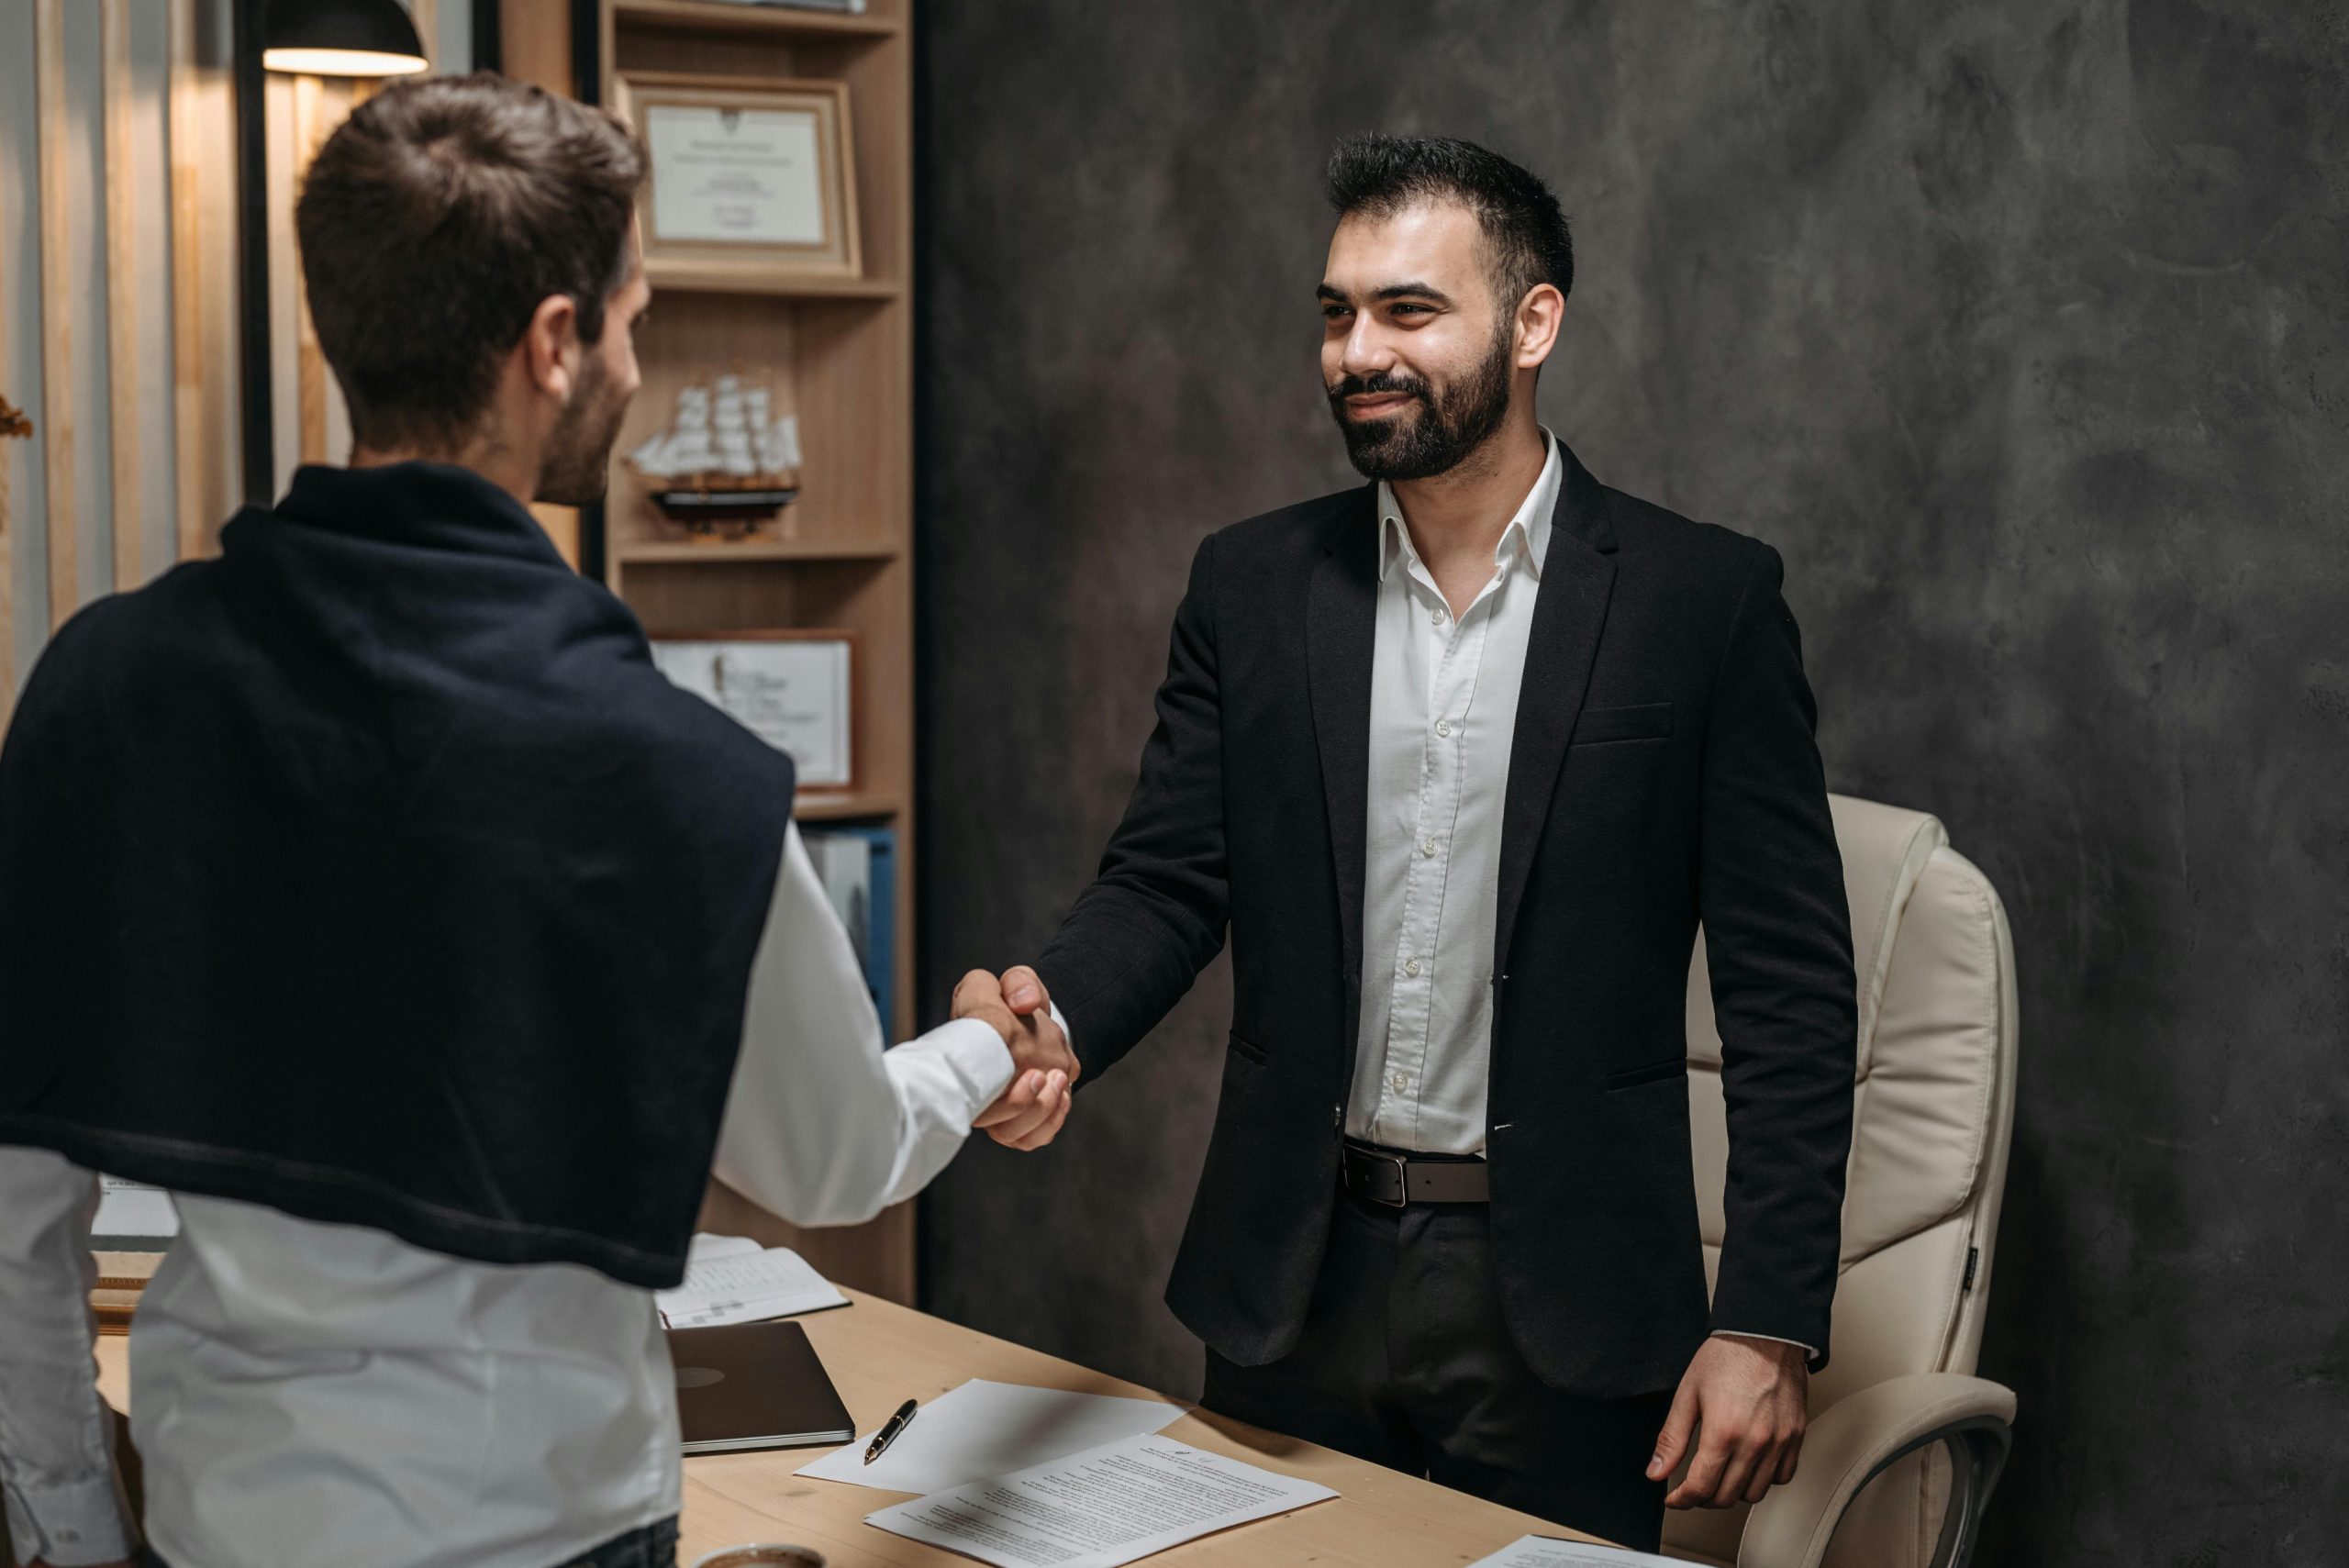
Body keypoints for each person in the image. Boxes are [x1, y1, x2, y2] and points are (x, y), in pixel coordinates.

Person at [0, 74, 1067, 1568]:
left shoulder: (100, 690)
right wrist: (986, 1045)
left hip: (208, 1529)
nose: (636, 356)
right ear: (553, 346)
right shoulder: (668, 770)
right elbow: (834, 1156)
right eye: (631, 317)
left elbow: (13, 1210)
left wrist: (68, 1529)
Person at [984, 133, 1858, 1551]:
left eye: (1407, 310)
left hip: (1569, 1293)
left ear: (1532, 324)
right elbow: (1165, 878)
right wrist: (1051, 1018)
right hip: (1292, 1277)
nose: (1355, 352)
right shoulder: (1252, 584)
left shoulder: (1705, 602)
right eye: (1336, 312)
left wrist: (1770, 1320)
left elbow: (1789, 988)